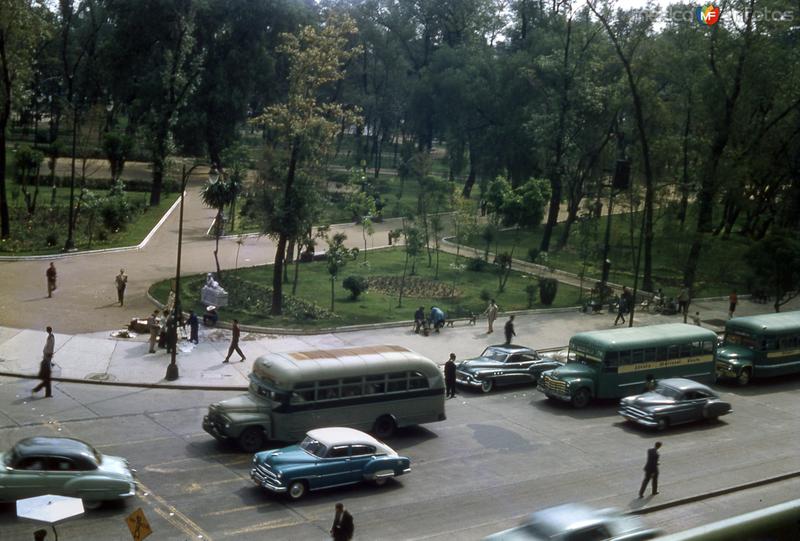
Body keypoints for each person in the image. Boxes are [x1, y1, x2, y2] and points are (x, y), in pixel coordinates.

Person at [32, 327, 55, 398]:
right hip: (47, 354)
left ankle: (46, 393)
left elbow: (50, 345)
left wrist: (49, 353)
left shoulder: (51, 336)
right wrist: (49, 353)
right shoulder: (51, 337)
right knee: (47, 382)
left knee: (47, 382)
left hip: (48, 353)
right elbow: (49, 346)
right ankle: (39, 391)